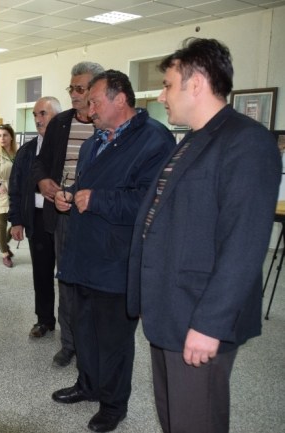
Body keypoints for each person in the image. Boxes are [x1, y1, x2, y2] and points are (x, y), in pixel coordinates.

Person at [127, 38, 281, 433]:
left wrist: (211, 324)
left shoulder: (246, 141)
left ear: (195, 84)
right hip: (170, 308)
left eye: (166, 84)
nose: (161, 95)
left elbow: (244, 243)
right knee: (174, 418)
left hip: (199, 316)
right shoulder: (192, 139)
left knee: (197, 422)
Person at [52, 70, 174, 433]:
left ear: (120, 99)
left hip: (118, 259)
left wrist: (98, 199)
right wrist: (67, 195)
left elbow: (153, 202)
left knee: (114, 338)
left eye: (94, 101)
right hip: (83, 253)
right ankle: (87, 384)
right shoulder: (95, 141)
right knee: (84, 328)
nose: (88, 109)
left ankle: (113, 403)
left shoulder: (154, 141)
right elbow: (85, 188)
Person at [31, 61, 104, 359]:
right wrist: (45, 183)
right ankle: (69, 344)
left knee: (95, 285)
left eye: (80, 88)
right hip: (63, 215)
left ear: (98, 90)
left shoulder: (106, 125)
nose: (74, 95)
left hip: (98, 218)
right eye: (71, 88)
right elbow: (40, 163)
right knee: (67, 280)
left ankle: (92, 346)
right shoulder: (60, 124)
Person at [8, 96, 62, 336]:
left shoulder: (69, 146)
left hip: (65, 218)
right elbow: (16, 187)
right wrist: (16, 220)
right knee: (41, 272)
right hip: (37, 219)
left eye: (44, 114)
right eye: (36, 115)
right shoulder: (27, 152)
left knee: (69, 275)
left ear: (58, 117)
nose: (39, 120)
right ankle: (44, 320)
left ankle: (72, 330)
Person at [0, 124, 18, 267]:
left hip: (14, 192)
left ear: (11, 137)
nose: (2, 138)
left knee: (17, 222)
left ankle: (2, 243)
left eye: (5, 135)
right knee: (1, 223)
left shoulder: (16, 153)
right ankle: (5, 254)